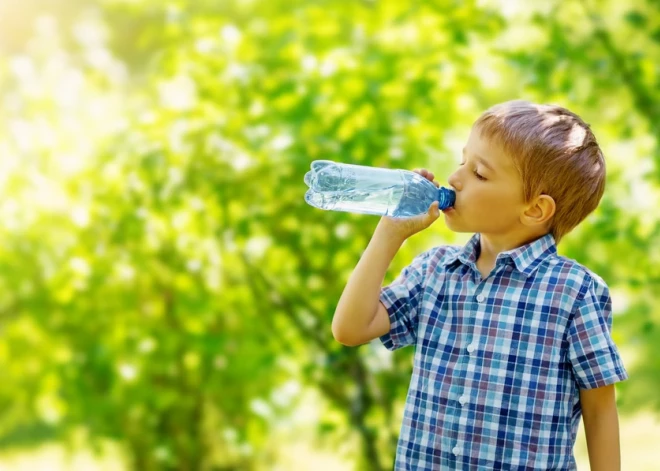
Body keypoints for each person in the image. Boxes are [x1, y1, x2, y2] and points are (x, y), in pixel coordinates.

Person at [331, 100, 628, 470]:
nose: (455, 179)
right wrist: (389, 235)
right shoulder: (434, 271)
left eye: (480, 174)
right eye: (462, 161)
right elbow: (350, 328)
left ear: (535, 209)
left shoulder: (574, 291)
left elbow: (599, 409)